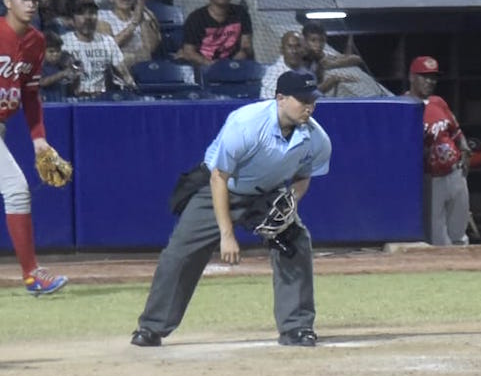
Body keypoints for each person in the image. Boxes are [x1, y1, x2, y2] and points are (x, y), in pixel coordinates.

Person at [130, 70, 332, 347]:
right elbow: (219, 178)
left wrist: (290, 201)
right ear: (280, 98)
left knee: (295, 242)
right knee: (179, 253)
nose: (309, 106)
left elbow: (303, 176)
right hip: (220, 188)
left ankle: (297, 327)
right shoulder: (246, 124)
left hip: (266, 193)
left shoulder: (317, 139)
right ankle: (152, 327)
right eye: (302, 99)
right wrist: (227, 235)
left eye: (312, 100)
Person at [1, 0, 69, 295]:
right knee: (16, 189)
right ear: (7, 1)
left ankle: (32, 275)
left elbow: (30, 96)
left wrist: (38, 138)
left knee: (15, 190)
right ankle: (32, 275)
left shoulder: (36, 42)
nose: (30, 4)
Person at [408, 56, 471, 247]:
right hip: (430, 179)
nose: (430, 81)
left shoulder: (438, 102)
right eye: (424, 76)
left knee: (459, 233)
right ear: (412, 77)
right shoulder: (404, 106)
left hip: (455, 173)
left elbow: (456, 131)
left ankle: (465, 273)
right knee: (438, 237)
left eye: (433, 77)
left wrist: (465, 151)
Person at [59, 0, 138, 98]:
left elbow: (124, 73)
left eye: (92, 13)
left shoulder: (108, 41)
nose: (88, 17)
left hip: (103, 98)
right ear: (72, 19)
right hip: (75, 98)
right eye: (81, 13)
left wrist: (134, 90)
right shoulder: (63, 43)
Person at [175, 0, 253, 66]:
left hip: (234, 66)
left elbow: (246, 46)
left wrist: (230, 65)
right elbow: (189, 52)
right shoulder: (195, 18)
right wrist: (212, 65)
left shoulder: (241, 13)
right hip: (204, 68)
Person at [98, 0, 160, 68]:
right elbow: (109, 47)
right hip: (113, 69)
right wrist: (134, 23)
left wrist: (141, 17)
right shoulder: (102, 16)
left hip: (142, 68)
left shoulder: (145, 16)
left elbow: (150, 48)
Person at [301, 20, 366, 96]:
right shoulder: (298, 61)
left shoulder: (321, 56)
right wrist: (332, 80)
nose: (318, 45)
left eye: (321, 40)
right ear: (304, 41)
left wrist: (331, 64)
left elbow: (356, 59)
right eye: (313, 40)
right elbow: (306, 92)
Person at [260, 31, 310, 99]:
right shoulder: (273, 73)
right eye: (290, 46)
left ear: (304, 50)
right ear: (282, 50)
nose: (294, 51)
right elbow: (268, 104)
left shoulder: (306, 69)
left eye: (298, 46)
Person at [39, 30, 80, 103]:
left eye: (58, 51)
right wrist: (61, 74)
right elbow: (41, 82)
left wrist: (76, 77)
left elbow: (72, 90)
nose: (55, 54)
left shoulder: (62, 66)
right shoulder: (38, 66)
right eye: (51, 51)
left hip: (61, 103)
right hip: (45, 105)